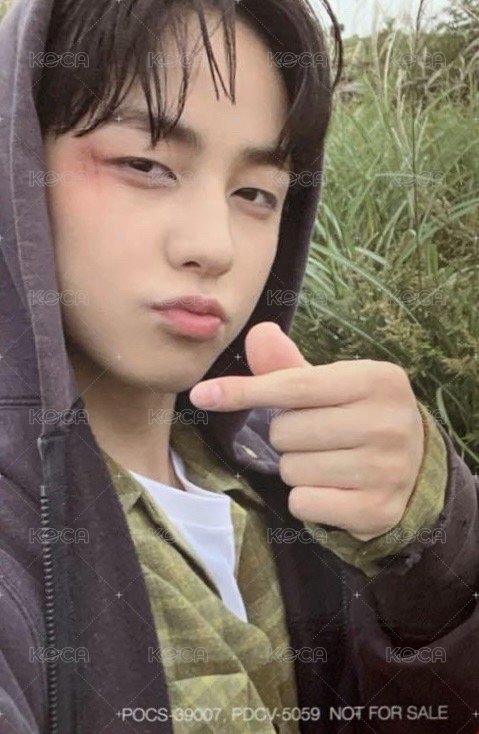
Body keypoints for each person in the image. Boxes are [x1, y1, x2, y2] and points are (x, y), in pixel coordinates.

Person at [0, 0, 477, 732]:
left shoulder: (314, 481)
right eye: (144, 165)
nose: (215, 246)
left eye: (255, 193)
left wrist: (437, 538)